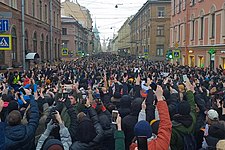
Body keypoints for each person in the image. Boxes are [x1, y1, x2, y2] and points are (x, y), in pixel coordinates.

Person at [130, 85, 172, 150]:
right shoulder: (159, 145)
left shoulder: (133, 147)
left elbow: (140, 130)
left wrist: (143, 111)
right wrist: (160, 99)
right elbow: (166, 125)